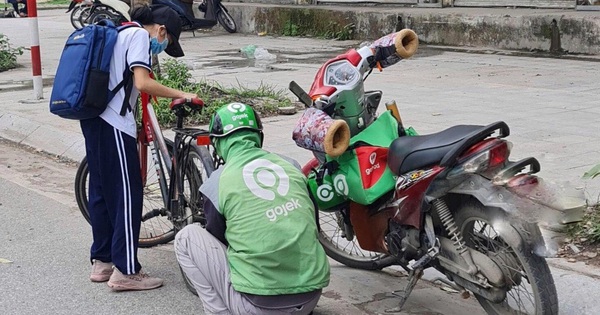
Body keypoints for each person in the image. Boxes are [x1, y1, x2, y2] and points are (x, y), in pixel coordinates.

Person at [175, 103, 330, 315]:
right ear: (259, 136)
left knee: (186, 237)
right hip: (311, 297)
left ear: (218, 143)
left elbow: (219, 240)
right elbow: (312, 220)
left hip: (257, 306)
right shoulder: (291, 165)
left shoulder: (216, 184)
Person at [82, 4, 197, 291]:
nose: (161, 46)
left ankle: (103, 261)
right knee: (127, 194)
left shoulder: (119, 32)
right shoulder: (138, 37)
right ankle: (126, 271)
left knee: (100, 191)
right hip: (113, 125)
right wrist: (182, 93)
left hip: (92, 119)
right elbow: (142, 82)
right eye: (166, 41)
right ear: (161, 30)